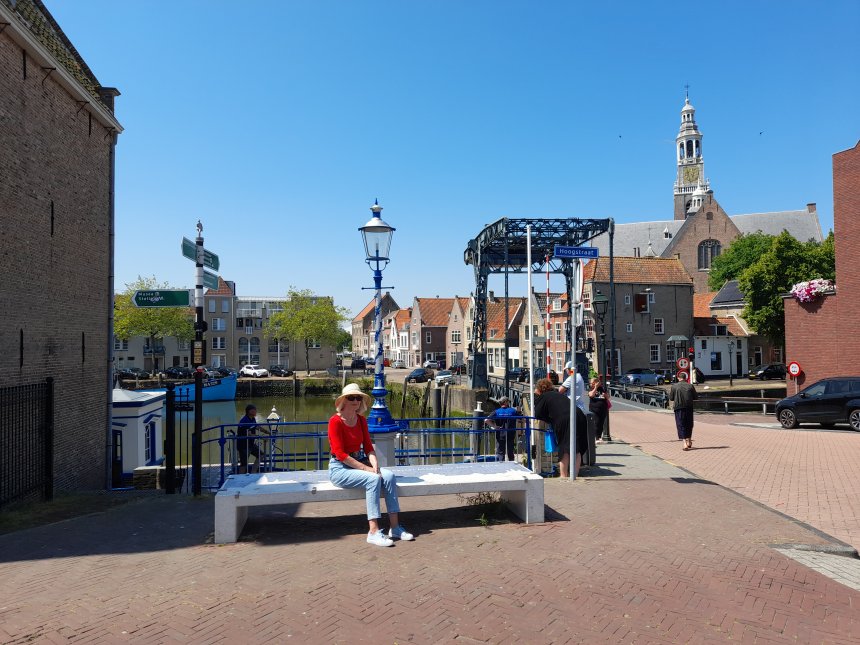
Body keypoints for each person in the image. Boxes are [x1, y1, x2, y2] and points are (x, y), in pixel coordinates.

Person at [328, 383, 414, 547]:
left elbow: (368, 448)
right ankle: (373, 532)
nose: (356, 401)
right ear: (343, 401)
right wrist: (368, 470)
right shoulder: (335, 422)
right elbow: (340, 454)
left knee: (388, 476)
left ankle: (395, 527)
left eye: (358, 398)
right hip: (339, 468)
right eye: (351, 398)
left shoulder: (361, 420)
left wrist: (375, 466)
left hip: (359, 463)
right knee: (373, 479)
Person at [533, 378, 587, 478]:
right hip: (579, 415)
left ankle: (563, 476)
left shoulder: (544, 396)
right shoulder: (558, 394)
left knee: (564, 448)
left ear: (539, 389)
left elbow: (538, 414)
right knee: (577, 447)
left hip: (565, 419)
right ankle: (574, 475)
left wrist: (550, 419)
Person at [484, 396, 519, 462]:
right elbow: (522, 419)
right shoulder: (512, 411)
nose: (508, 402)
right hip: (510, 433)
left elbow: (486, 420)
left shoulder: (497, 411)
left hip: (500, 433)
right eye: (508, 401)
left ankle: (501, 464)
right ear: (505, 402)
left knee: (500, 452)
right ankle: (511, 464)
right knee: (510, 451)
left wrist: (495, 426)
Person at [669, 371, 698, 450]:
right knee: (689, 424)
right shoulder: (690, 386)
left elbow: (671, 398)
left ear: (678, 378)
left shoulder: (674, 386)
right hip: (689, 407)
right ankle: (689, 441)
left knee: (681, 424)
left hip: (679, 408)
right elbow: (695, 397)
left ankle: (685, 443)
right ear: (686, 378)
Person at [237, 404, 263, 474]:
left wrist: (267, 432)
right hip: (243, 445)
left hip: (250, 444)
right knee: (244, 463)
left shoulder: (253, 419)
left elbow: (257, 427)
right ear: (249, 411)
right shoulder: (244, 420)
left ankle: (253, 471)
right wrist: (260, 437)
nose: (256, 411)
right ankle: (240, 477)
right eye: (254, 410)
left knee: (261, 455)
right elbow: (249, 434)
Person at [588, 376, 610, 442]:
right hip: (594, 409)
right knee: (596, 423)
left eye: (592, 383)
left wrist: (605, 395)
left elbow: (608, 397)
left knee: (601, 423)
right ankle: (596, 438)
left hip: (603, 409)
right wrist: (595, 387)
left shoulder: (602, 389)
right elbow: (591, 395)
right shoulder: (591, 389)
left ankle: (599, 436)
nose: (591, 384)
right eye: (591, 383)